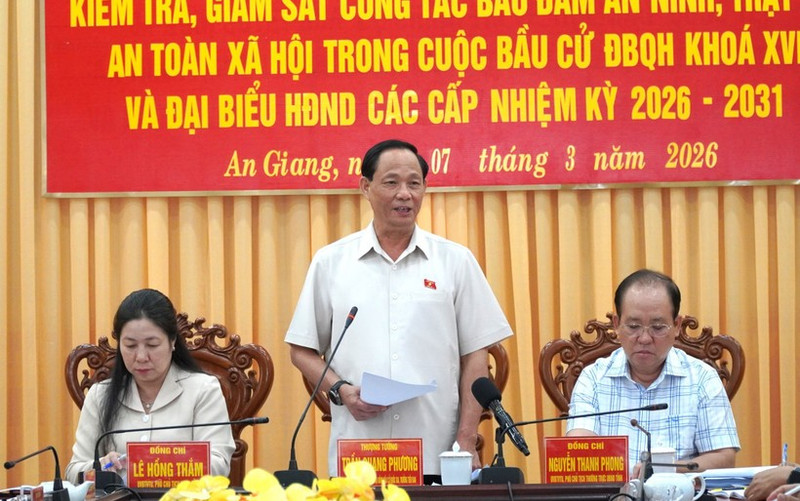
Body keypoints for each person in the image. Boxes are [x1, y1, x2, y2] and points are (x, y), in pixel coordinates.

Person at [284, 139, 513, 481]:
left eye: (414, 183)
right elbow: (301, 350)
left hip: (437, 452)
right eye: (391, 182)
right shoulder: (331, 262)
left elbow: (476, 358)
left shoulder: (455, 261)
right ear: (366, 187)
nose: (404, 194)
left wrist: (466, 440)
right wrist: (340, 390)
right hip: (359, 456)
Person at [566, 269, 740, 476]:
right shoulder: (592, 379)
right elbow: (579, 452)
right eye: (633, 326)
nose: (645, 338)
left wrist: (665, 470)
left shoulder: (703, 378)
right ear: (616, 325)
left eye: (658, 327)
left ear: (676, 326)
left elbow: (723, 457)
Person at [65, 289, 235, 484]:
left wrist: (153, 465)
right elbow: (73, 473)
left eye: (152, 345)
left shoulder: (203, 390)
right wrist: (101, 467)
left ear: (172, 342)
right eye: (130, 345)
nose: (141, 356)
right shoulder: (100, 394)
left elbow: (218, 465)